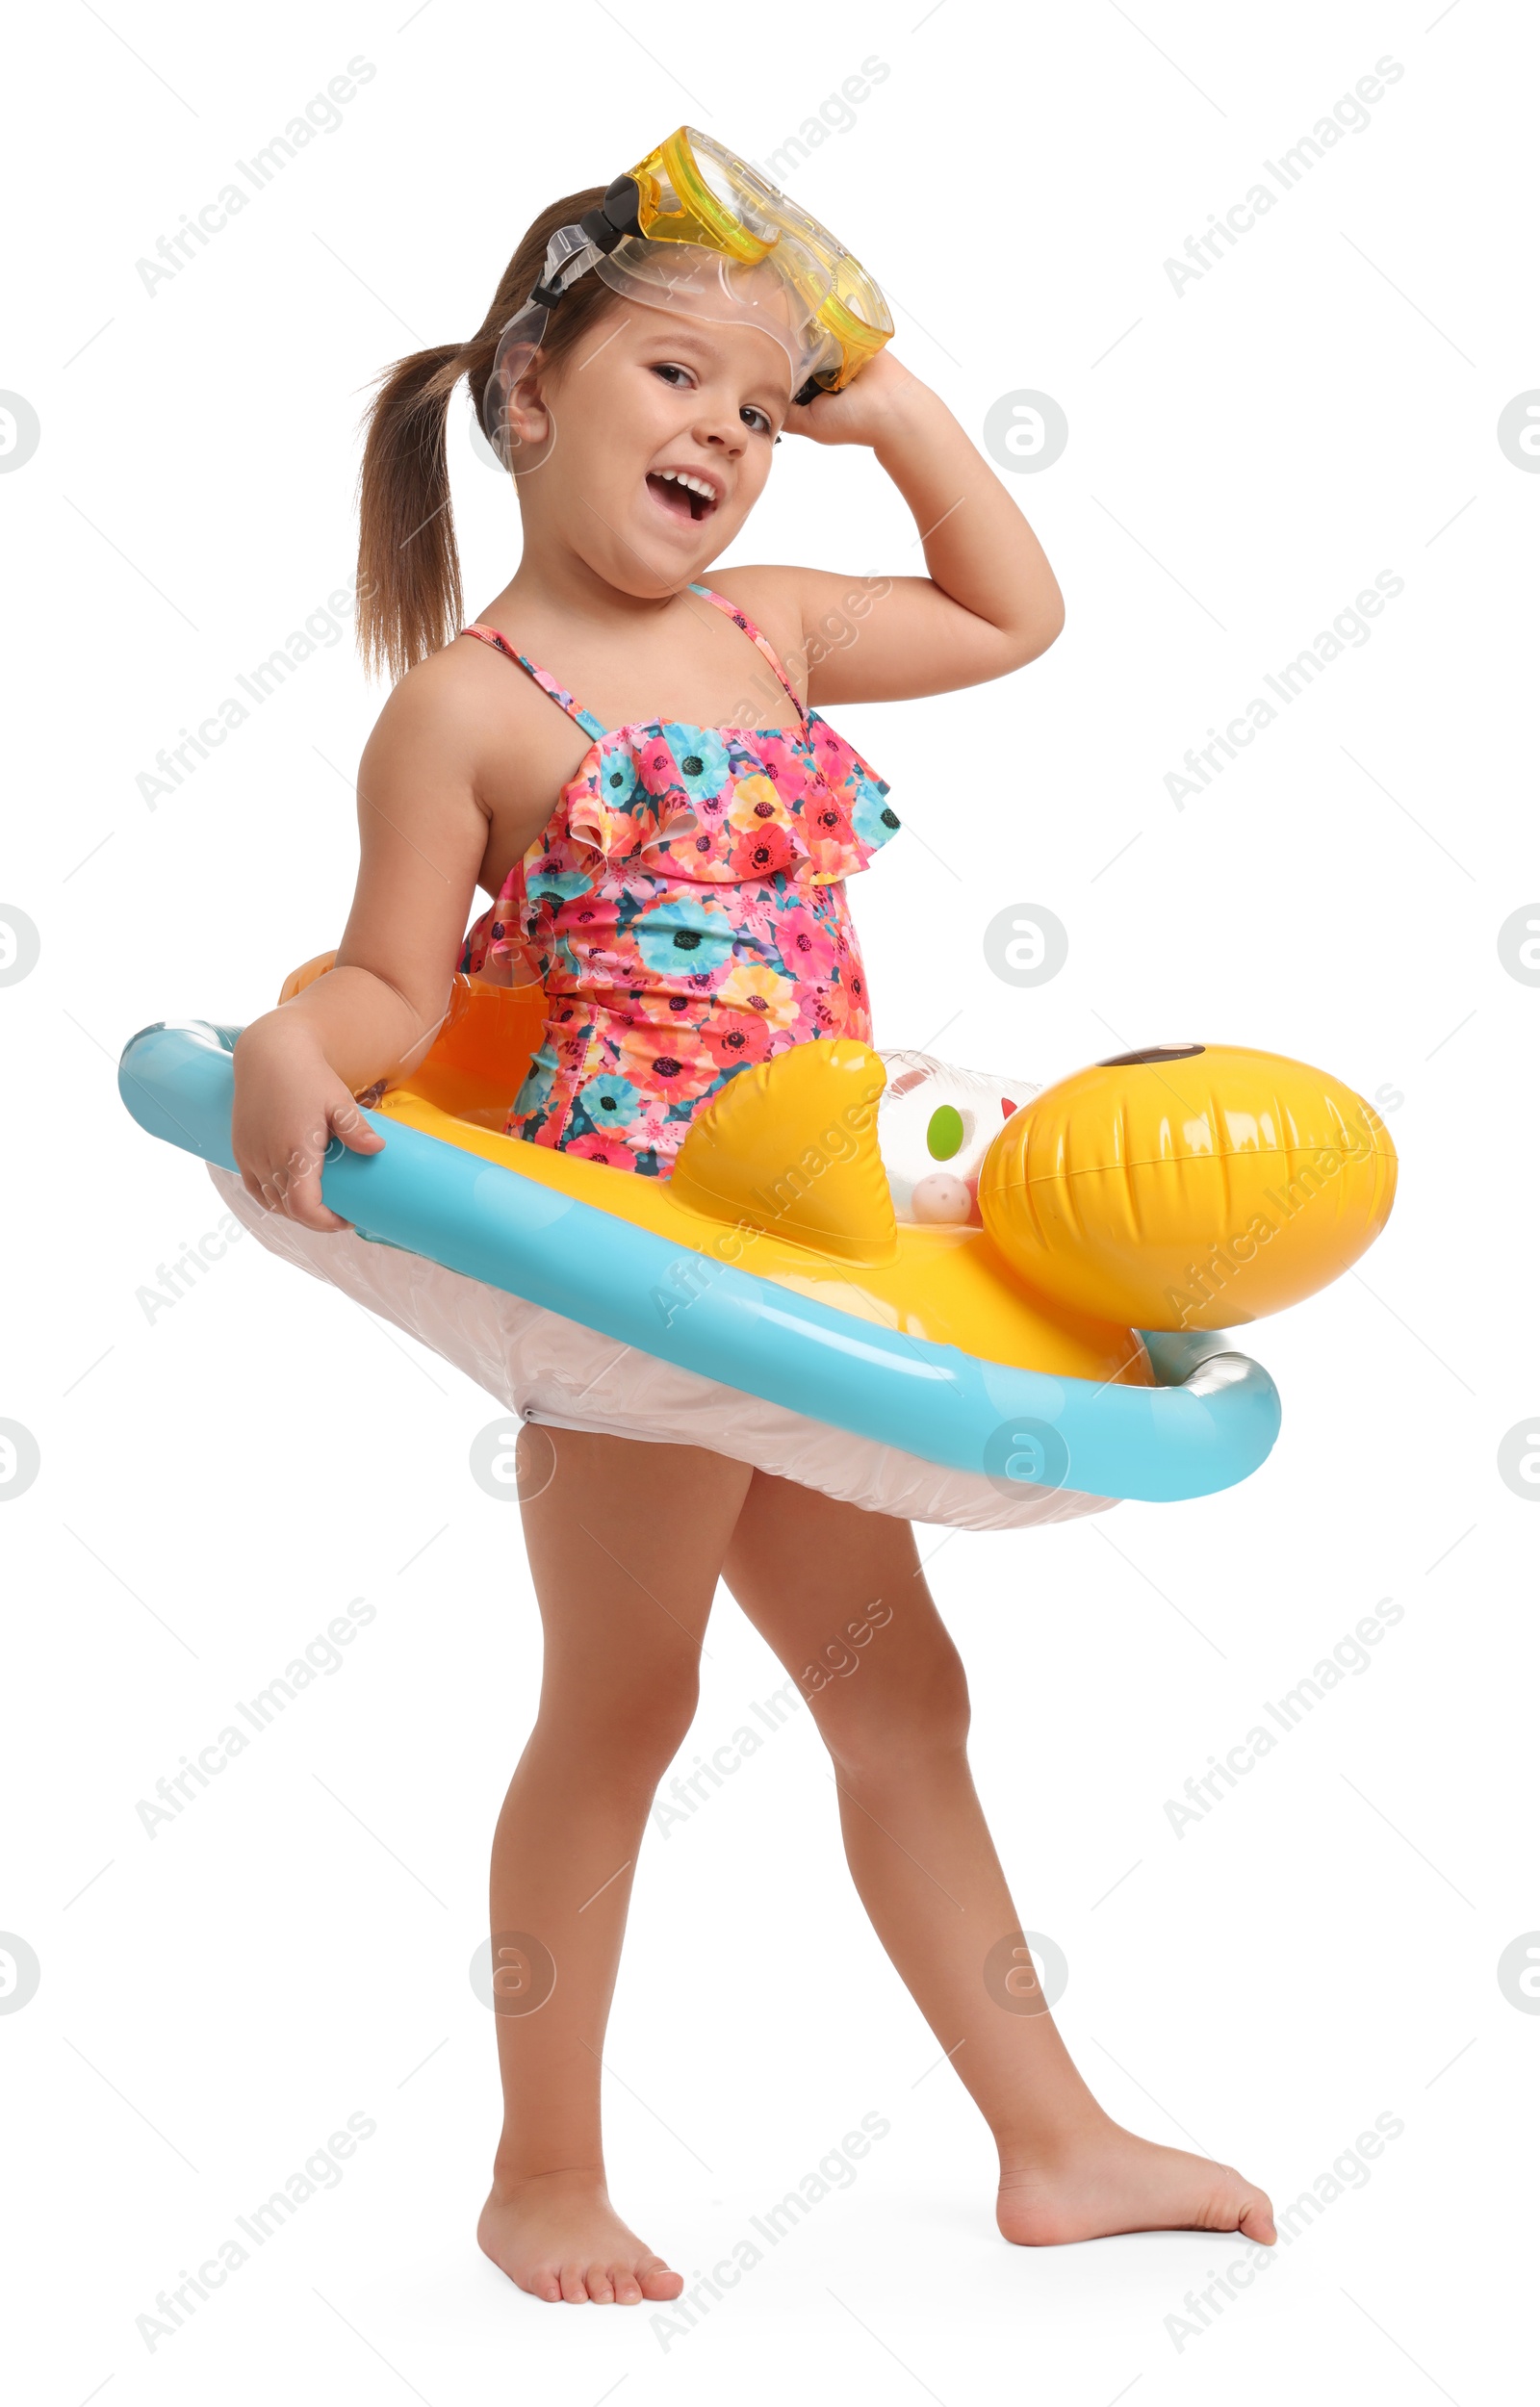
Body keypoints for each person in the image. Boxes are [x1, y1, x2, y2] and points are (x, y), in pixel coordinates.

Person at [230, 158, 1276, 2308]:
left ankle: (1055, 2144)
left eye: (757, 396)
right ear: (526, 394)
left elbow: (1011, 617)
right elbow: (391, 986)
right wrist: (286, 1030)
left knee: (908, 1703)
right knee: (620, 1707)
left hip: (806, 1277)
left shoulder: (767, 627)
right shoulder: (472, 707)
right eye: (671, 371)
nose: (720, 424)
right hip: (627, 1285)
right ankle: (541, 2173)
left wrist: (884, 411)